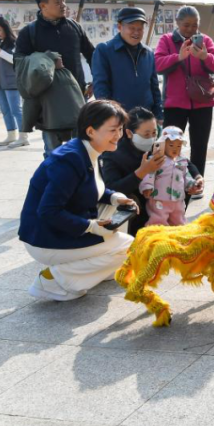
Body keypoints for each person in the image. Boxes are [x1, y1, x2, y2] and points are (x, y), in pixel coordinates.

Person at [21, 100, 139, 302]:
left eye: (120, 128)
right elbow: (48, 211)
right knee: (129, 246)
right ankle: (52, 280)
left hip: (61, 226)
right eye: (112, 130)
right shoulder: (69, 160)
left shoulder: (88, 150)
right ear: (91, 131)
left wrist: (114, 197)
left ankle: (97, 270)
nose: (118, 135)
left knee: (122, 211)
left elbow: (88, 188)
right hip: (45, 238)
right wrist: (90, 226)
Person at [14, 0, 95, 154]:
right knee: (52, 151)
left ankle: (77, 181)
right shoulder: (30, 32)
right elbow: (19, 62)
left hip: (77, 96)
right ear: (43, 5)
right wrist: (48, 61)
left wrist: (96, 80)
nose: (63, 5)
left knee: (82, 149)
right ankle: (56, 181)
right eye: (58, 2)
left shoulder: (74, 27)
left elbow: (92, 55)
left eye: (64, 1)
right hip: (48, 100)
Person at [100, 106, 203, 236]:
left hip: (166, 201)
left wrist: (197, 177)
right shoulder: (113, 154)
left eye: (154, 133)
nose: (152, 138)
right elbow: (112, 188)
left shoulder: (158, 146)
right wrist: (142, 172)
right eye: (146, 134)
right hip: (136, 205)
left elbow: (184, 162)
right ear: (129, 133)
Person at [154, 5, 214, 175]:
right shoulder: (167, 40)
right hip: (175, 103)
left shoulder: (205, 40)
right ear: (177, 23)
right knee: (171, 145)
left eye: (194, 25)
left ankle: (197, 179)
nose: (190, 29)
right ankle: (169, 179)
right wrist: (178, 57)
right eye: (186, 25)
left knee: (200, 145)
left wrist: (205, 57)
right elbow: (156, 64)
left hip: (202, 102)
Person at [92, 7, 163, 122]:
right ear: (119, 27)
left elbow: (154, 87)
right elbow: (100, 85)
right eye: (132, 28)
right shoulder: (104, 50)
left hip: (145, 120)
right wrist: (109, 114)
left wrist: (159, 114)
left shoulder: (148, 53)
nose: (136, 32)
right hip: (118, 119)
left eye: (140, 29)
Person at [139, 126, 193, 226]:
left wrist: (191, 184)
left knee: (179, 220)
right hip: (159, 198)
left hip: (177, 199)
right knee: (158, 220)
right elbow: (150, 172)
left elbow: (186, 175)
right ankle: (156, 237)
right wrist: (147, 186)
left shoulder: (182, 160)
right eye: (171, 145)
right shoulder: (158, 159)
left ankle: (178, 236)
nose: (175, 149)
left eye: (178, 146)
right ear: (163, 144)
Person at [0, 18, 26, 146]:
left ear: (5, 28)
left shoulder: (15, 42)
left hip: (11, 80)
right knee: (5, 110)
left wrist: (0, 52)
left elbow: (17, 60)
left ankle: (23, 136)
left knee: (16, 109)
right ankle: (11, 135)